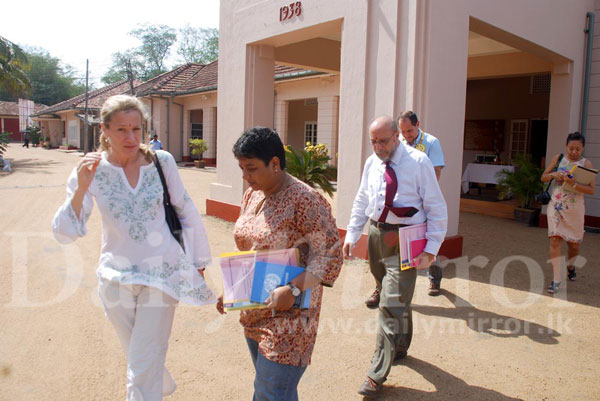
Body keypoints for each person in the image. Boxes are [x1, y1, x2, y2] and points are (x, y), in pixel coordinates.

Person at [52, 94, 215, 400]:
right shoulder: (90, 170)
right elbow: (64, 233)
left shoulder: (161, 162)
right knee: (142, 357)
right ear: (105, 129)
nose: (130, 137)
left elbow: (186, 210)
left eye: (136, 129)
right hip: (115, 278)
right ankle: (157, 384)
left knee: (141, 365)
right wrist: (81, 189)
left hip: (162, 273)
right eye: (121, 130)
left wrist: (198, 262)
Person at [216, 126, 343, 401]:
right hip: (255, 308)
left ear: (275, 163)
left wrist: (294, 289)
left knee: (269, 393)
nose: (245, 176)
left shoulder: (305, 199)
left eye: (251, 168)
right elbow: (251, 246)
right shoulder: (253, 194)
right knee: (276, 393)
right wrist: (233, 287)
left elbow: (331, 255)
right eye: (241, 168)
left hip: (290, 317)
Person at [343, 115, 447, 397]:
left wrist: (431, 249)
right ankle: (401, 345)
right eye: (373, 141)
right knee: (396, 295)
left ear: (397, 136)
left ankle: (376, 374)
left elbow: (437, 207)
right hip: (378, 236)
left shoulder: (419, 163)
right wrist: (352, 234)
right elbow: (362, 198)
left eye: (383, 141)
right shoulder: (371, 162)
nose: (378, 147)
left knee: (389, 304)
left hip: (407, 238)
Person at [363, 110, 446, 306]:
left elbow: (435, 172)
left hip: (419, 206)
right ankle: (380, 288)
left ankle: (434, 278)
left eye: (409, 130)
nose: (406, 135)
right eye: (402, 131)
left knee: (428, 249)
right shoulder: (388, 149)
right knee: (383, 265)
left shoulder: (431, 144)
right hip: (388, 218)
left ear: (418, 126)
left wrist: (422, 202)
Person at [541, 132, 595, 294]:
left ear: (583, 148)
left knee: (573, 245)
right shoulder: (558, 159)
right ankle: (556, 279)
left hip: (575, 209)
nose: (574, 152)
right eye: (571, 148)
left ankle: (571, 266)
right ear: (566, 146)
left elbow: (591, 189)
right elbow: (543, 177)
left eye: (577, 149)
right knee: (555, 240)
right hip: (556, 205)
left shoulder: (586, 164)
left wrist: (574, 184)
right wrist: (553, 174)